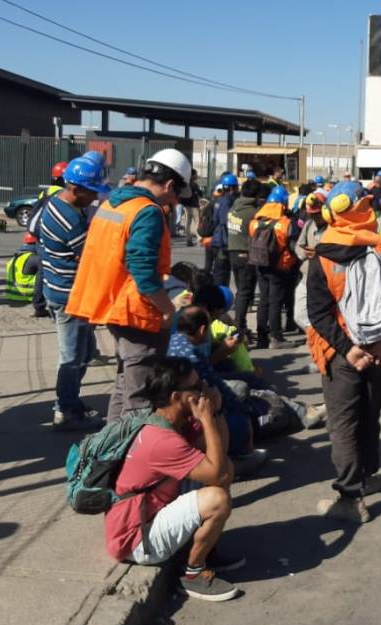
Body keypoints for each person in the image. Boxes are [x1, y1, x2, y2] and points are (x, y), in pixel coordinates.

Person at [306, 181, 381, 523]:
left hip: (342, 354)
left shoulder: (324, 253)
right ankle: (368, 477)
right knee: (370, 416)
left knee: (343, 424)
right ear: (366, 206)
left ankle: (351, 498)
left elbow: (319, 313)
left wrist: (348, 349)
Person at [66, 148, 193, 422]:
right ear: (170, 185)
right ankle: (129, 459)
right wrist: (168, 309)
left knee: (124, 386)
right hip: (137, 314)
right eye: (175, 194)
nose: (173, 200)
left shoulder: (112, 204)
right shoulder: (147, 212)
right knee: (139, 397)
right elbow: (144, 272)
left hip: (113, 306)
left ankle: (109, 453)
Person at [103, 358, 241, 601]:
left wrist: (216, 412)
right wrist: (209, 417)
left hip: (151, 513)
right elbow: (216, 474)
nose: (204, 390)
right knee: (216, 499)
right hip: (136, 538)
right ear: (177, 397)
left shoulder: (173, 422)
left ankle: (203, 548)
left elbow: (220, 460)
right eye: (196, 387)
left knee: (224, 470)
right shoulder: (161, 439)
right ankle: (192, 573)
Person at [39, 155, 111, 429]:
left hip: (65, 291)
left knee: (86, 351)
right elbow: (90, 258)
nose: (94, 197)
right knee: (71, 357)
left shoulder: (55, 201)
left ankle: (70, 399)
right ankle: (65, 409)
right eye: (91, 192)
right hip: (68, 295)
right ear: (76, 189)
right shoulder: (71, 219)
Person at [168, 305, 266, 474]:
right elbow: (217, 387)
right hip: (195, 408)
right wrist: (243, 410)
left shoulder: (174, 341)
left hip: (179, 403)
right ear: (201, 330)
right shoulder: (193, 356)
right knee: (240, 406)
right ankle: (239, 457)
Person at [250, 185, 300, 349]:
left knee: (264, 300)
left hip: (260, 264)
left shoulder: (255, 222)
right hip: (279, 266)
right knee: (275, 302)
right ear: (283, 204)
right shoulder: (285, 223)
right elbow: (293, 245)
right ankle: (276, 337)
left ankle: (262, 337)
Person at [225, 178, 263, 339]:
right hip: (245, 253)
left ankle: (242, 325)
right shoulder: (253, 213)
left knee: (242, 290)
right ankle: (239, 326)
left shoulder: (234, 208)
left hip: (233, 252)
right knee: (245, 293)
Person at [205, 174, 238, 286]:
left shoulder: (219, 200)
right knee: (222, 273)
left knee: (218, 271)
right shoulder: (227, 202)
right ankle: (220, 296)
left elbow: (215, 220)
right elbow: (226, 223)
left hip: (216, 238)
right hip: (222, 242)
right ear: (233, 188)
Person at [180, 170, 202, 247]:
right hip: (194, 205)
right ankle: (199, 238)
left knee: (188, 222)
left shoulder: (186, 184)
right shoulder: (194, 185)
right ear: (192, 175)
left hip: (186, 205)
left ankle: (188, 239)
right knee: (197, 222)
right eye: (195, 174)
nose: (196, 176)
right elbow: (199, 193)